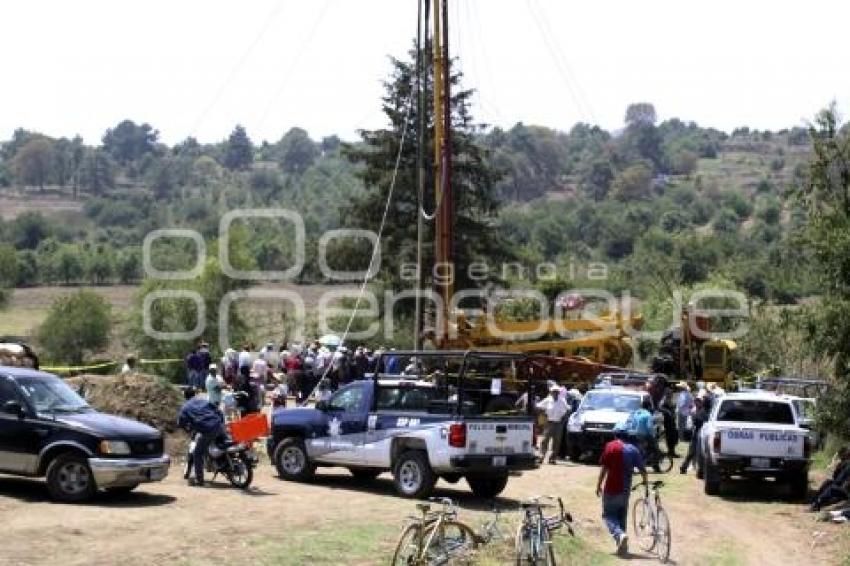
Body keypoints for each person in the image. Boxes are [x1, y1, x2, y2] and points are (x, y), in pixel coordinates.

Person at [597, 424, 648, 557]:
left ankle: (620, 535)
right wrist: (645, 483)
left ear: (615, 435)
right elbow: (643, 469)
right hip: (625, 490)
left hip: (611, 488)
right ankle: (622, 547)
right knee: (621, 516)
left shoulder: (610, 446)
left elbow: (604, 469)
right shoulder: (633, 449)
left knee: (608, 515)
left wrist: (598, 485)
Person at [177, 387, 225, 487]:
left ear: (185, 397)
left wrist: (187, 429)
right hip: (218, 424)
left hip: (207, 430)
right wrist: (221, 422)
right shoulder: (203, 401)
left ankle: (199, 480)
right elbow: (219, 411)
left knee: (197, 453)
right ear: (194, 394)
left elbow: (181, 422)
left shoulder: (185, 407)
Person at [536, 385, 569, 464]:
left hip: (559, 423)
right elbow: (538, 406)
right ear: (551, 392)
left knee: (557, 442)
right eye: (554, 392)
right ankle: (541, 456)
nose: (555, 393)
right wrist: (543, 414)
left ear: (559, 393)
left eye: (557, 392)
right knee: (545, 440)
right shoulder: (548, 400)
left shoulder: (562, 400)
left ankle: (552, 458)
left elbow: (567, 409)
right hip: (549, 422)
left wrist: (563, 418)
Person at [810, 447, 850, 512]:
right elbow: (836, 477)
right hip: (840, 485)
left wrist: (843, 487)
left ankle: (816, 505)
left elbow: (844, 481)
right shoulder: (844, 464)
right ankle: (815, 502)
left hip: (845, 490)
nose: (840, 458)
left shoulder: (847, 465)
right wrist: (838, 467)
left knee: (831, 488)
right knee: (827, 482)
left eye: (842, 456)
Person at [680, 393, 708, 474]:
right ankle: (684, 467)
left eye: (698, 401)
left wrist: (694, 417)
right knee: (691, 452)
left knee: (700, 453)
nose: (696, 402)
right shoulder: (696, 410)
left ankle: (699, 470)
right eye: (695, 401)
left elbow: (699, 421)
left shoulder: (703, 411)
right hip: (696, 433)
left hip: (701, 434)